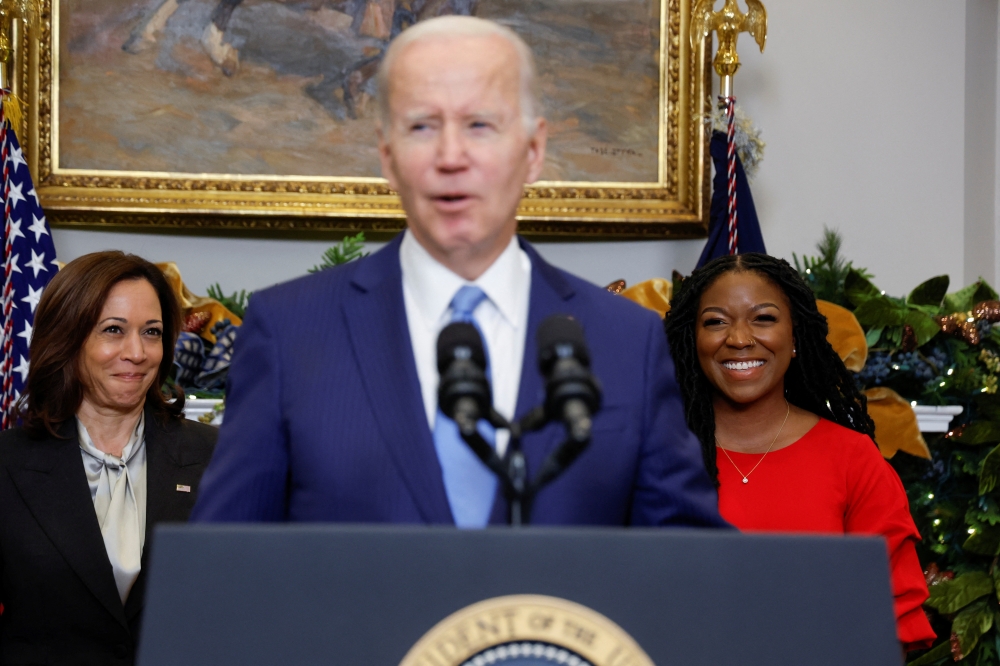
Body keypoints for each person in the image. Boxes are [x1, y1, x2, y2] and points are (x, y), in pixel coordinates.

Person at [191, 16, 726, 528]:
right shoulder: (289, 331)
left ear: (534, 150)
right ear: (387, 154)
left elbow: (693, 574)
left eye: (479, 125)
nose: (451, 155)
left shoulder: (626, 341)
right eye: (422, 126)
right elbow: (223, 574)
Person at [664, 252, 935, 652]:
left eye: (764, 318)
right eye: (716, 322)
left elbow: (892, 619)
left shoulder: (852, 459)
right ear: (694, 340)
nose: (739, 338)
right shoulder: (656, 457)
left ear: (795, 338)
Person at [0, 252, 218, 665]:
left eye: (151, 332)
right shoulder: (7, 466)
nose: (137, 352)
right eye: (113, 330)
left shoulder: (219, 458)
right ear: (68, 337)